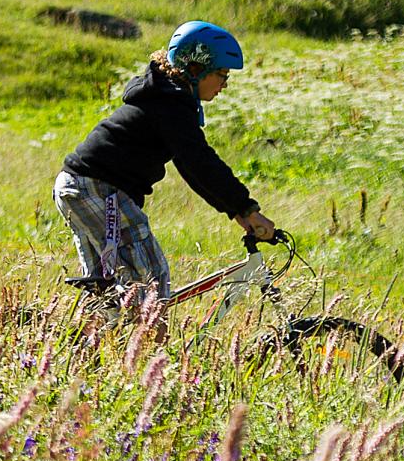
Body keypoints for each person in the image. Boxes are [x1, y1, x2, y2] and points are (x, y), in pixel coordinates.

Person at [54, 20, 278, 302]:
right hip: (99, 190)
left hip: (82, 187)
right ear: (196, 69)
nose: (224, 84)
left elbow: (193, 168)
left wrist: (236, 212)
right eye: (221, 74)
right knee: (152, 290)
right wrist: (245, 208)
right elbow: (198, 162)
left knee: (108, 297)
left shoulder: (166, 96)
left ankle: (87, 343)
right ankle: (149, 347)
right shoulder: (170, 104)